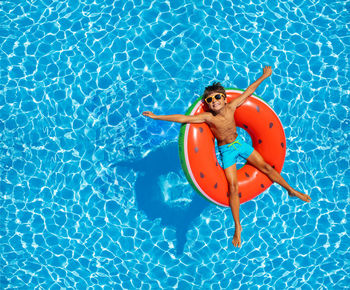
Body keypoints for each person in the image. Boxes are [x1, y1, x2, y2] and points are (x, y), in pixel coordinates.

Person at [142, 66, 311, 247]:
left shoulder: (231, 107)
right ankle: (237, 226)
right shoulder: (209, 117)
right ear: (207, 104)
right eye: (209, 99)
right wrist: (158, 117)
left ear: (224, 98)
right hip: (226, 151)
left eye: (216, 97)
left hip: (240, 144)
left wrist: (264, 76)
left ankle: (290, 189)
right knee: (232, 186)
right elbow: (183, 119)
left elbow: (249, 91)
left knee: (267, 168)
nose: (213, 101)